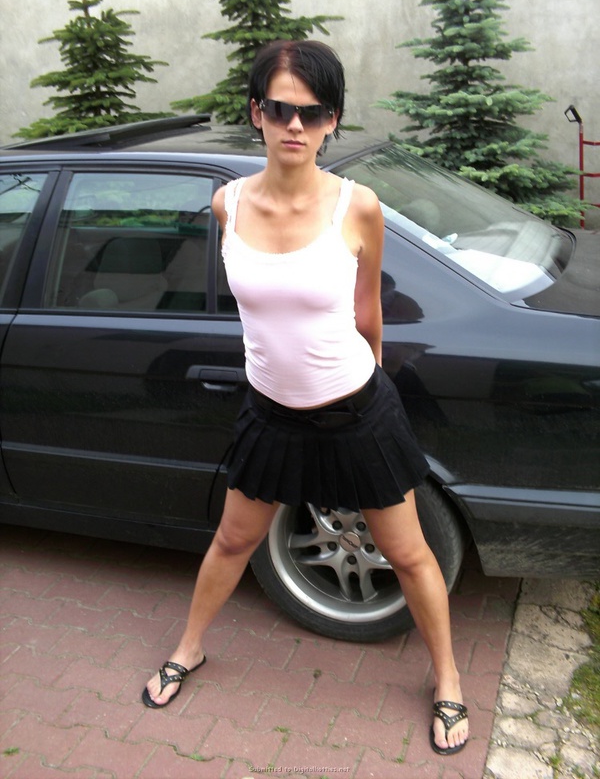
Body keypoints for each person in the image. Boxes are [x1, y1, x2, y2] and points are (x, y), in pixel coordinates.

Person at [142, 40, 469, 756]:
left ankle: (447, 678)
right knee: (233, 539)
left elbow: (368, 315)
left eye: (314, 112)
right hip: (269, 413)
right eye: (281, 108)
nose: (296, 124)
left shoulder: (359, 207)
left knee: (409, 554)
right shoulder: (228, 204)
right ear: (256, 113)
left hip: (356, 411)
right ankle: (189, 646)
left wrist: (366, 397)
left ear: (332, 121)